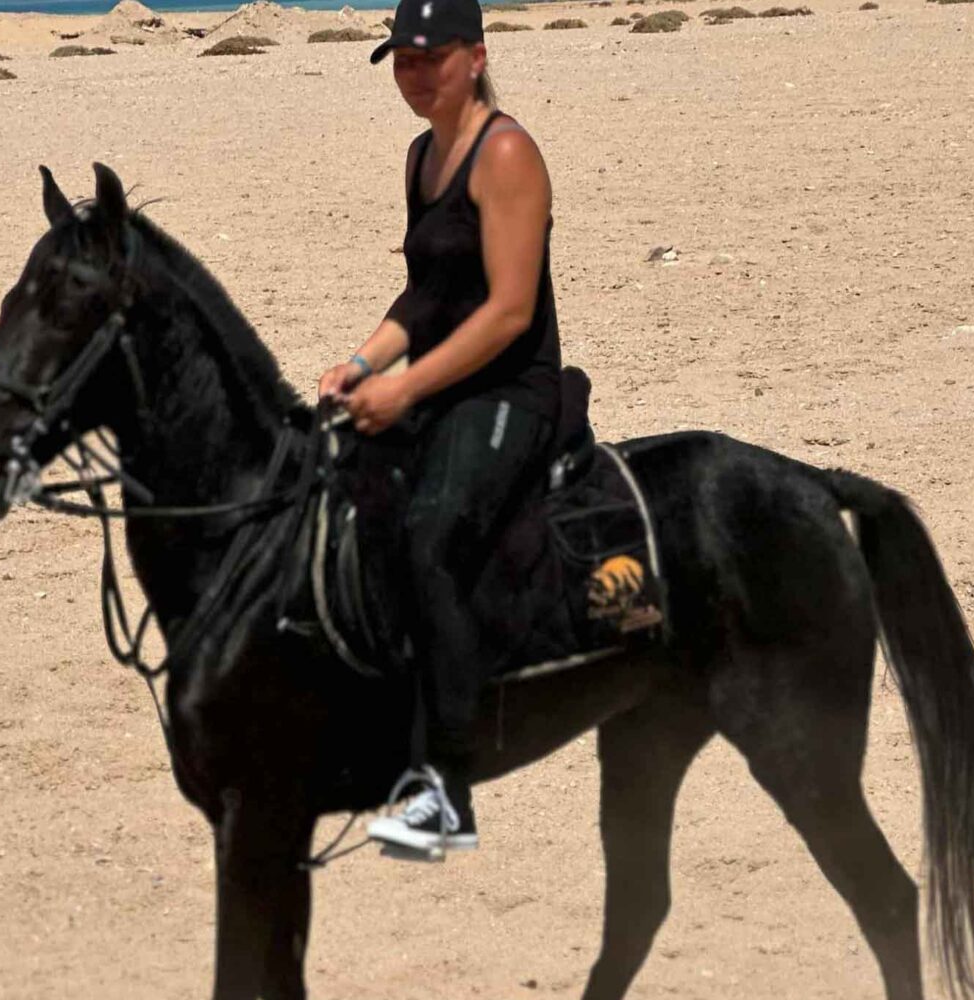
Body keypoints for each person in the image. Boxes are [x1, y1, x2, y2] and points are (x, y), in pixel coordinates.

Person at [317, 0, 562, 855]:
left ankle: (446, 795)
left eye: (433, 57)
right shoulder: (423, 155)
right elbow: (424, 295)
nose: (415, 75)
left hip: (511, 392)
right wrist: (362, 363)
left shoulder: (506, 153)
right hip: (439, 380)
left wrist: (406, 387)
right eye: (402, 59)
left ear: (477, 56)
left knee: (428, 533)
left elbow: (507, 311)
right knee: (336, 495)